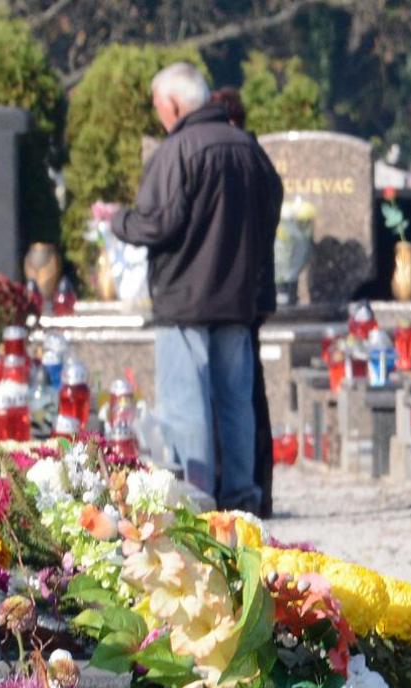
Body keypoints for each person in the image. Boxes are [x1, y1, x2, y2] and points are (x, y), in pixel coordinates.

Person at [110, 62, 282, 512]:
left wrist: (114, 219)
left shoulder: (177, 150)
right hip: (239, 298)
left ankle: (199, 505)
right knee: (235, 405)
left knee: (186, 411)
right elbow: (272, 206)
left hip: (185, 298)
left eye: (157, 106)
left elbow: (156, 222)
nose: (159, 115)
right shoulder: (249, 148)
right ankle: (243, 502)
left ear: (172, 104)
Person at [212, 86, 277, 518]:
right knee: (249, 390)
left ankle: (251, 486)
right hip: (252, 288)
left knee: (244, 393)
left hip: (242, 290)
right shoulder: (257, 156)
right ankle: (258, 486)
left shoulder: (244, 157)